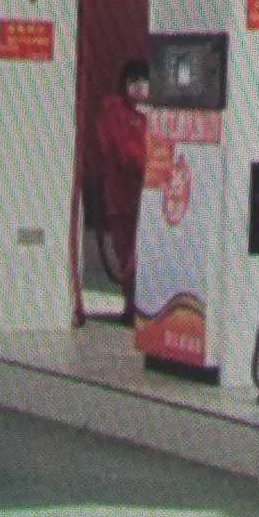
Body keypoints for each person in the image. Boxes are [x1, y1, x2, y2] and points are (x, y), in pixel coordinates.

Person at [94, 57, 149, 324]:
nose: (138, 86)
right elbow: (119, 149)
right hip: (122, 196)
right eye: (132, 81)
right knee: (126, 252)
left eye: (144, 81)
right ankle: (131, 307)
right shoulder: (113, 110)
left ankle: (143, 308)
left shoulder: (157, 113)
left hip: (152, 197)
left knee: (144, 253)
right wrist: (148, 166)